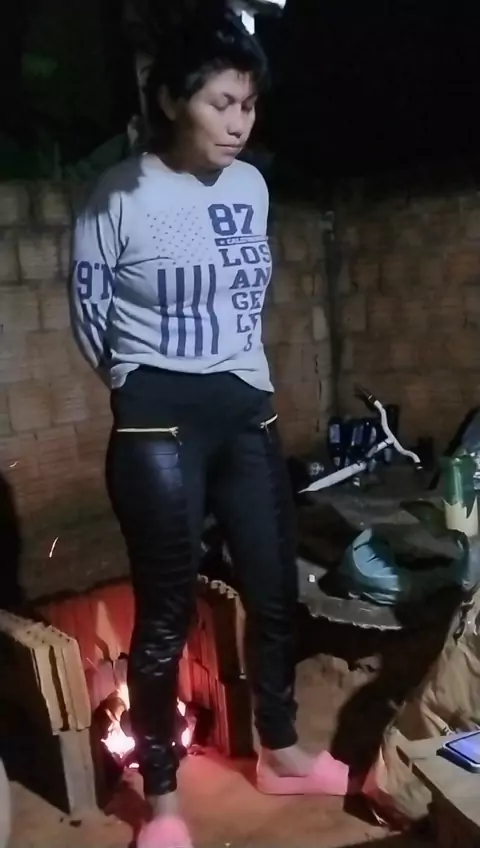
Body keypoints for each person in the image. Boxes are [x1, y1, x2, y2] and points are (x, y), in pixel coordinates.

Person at [69, 9, 350, 847]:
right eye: (221, 103)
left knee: (273, 588)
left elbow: (243, 301)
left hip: (246, 411)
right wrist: (140, 384)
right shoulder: (119, 195)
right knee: (164, 617)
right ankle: (161, 803)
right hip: (158, 426)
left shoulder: (252, 188)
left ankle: (281, 750)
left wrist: (238, 379)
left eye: (248, 105)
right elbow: (89, 313)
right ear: (170, 100)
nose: (238, 123)